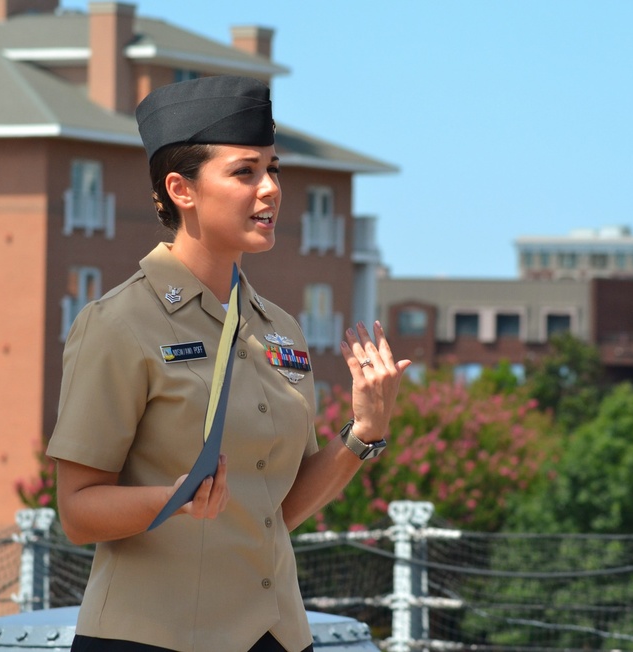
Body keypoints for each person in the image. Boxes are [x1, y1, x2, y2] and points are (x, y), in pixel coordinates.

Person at [46, 75, 411, 652]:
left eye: (274, 169)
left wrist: (365, 432)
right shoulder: (118, 322)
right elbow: (78, 512)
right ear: (181, 189)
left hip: (278, 637)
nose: (269, 189)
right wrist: (176, 498)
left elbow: (274, 512)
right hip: (152, 640)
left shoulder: (279, 329)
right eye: (245, 172)